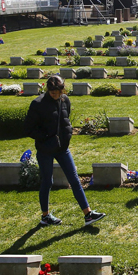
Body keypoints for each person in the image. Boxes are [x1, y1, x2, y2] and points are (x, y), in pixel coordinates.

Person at [24, 76, 106, 228]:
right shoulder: (38, 104)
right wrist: (46, 137)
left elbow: (65, 119)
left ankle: (88, 214)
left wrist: (66, 136)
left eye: (58, 92)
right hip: (45, 149)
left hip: (62, 148)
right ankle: (45, 216)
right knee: (47, 182)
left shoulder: (65, 100)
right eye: (53, 93)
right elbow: (28, 128)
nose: (56, 95)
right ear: (47, 90)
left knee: (74, 179)